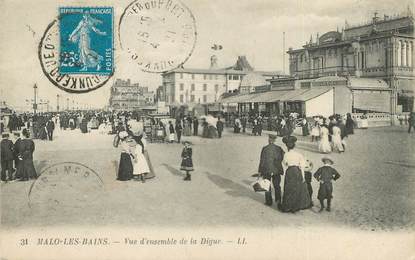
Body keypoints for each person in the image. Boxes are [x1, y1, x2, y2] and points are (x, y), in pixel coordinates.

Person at [281, 136, 311, 213]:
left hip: (290, 171)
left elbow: (285, 163)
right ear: (294, 145)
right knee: (297, 188)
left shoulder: (286, 154)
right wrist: (303, 177)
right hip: (297, 171)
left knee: (289, 188)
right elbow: (302, 166)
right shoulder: (299, 154)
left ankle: (288, 206)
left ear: (287, 146)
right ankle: (295, 206)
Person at [258, 134, 285, 208]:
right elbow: (283, 157)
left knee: (267, 185)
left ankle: (268, 201)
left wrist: (260, 171)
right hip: (276, 170)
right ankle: (278, 201)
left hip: (267, 170)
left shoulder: (265, 148)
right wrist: (278, 163)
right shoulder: (279, 148)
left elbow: (262, 160)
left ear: (269, 140)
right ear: (275, 140)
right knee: (277, 186)